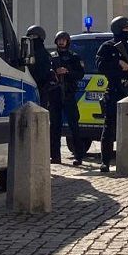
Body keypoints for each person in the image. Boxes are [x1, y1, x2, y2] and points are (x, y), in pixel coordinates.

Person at [95, 16, 128, 172]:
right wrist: (117, 63)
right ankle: (105, 161)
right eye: (125, 29)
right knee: (109, 127)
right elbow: (100, 65)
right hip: (115, 89)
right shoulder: (108, 47)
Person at [24, 25, 61, 161]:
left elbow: (46, 74)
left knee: (40, 125)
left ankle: (43, 154)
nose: (33, 40)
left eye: (35, 38)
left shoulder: (45, 55)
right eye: (31, 38)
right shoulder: (27, 54)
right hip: (30, 92)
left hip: (41, 93)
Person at [50, 31, 86, 166]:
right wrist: (55, 72)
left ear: (68, 42)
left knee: (74, 125)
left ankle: (78, 155)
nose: (61, 42)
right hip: (55, 95)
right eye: (59, 39)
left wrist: (68, 72)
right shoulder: (52, 57)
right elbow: (48, 74)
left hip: (69, 94)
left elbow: (80, 74)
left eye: (64, 40)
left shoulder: (74, 57)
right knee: (54, 126)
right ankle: (55, 156)